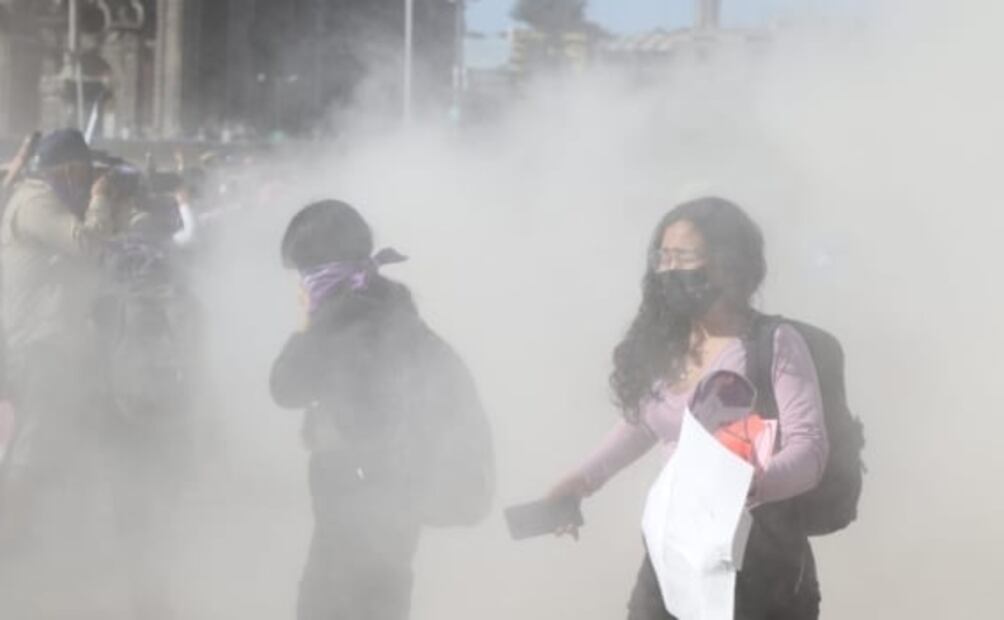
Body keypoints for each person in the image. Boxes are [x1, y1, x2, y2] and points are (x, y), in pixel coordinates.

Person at [547, 196, 829, 620]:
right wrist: (583, 480)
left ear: (730, 263)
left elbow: (810, 451)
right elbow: (645, 424)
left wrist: (750, 485)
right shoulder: (671, 344)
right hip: (671, 559)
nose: (670, 271)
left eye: (685, 257)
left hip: (757, 569)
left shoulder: (773, 343)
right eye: (663, 257)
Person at [270, 200, 492, 620]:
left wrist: (306, 322)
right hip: (397, 518)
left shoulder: (340, 329)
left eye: (302, 274)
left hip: (352, 524)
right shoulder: (395, 309)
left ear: (316, 275)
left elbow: (284, 387)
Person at [0, 128, 124, 616]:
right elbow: (88, 245)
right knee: (32, 451)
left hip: (56, 345)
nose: (93, 180)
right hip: (39, 345)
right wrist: (98, 200)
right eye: (88, 172)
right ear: (70, 170)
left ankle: (39, 542)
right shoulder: (36, 201)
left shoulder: (40, 197)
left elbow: (103, 247)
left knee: (54, 451)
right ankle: (11, 549)